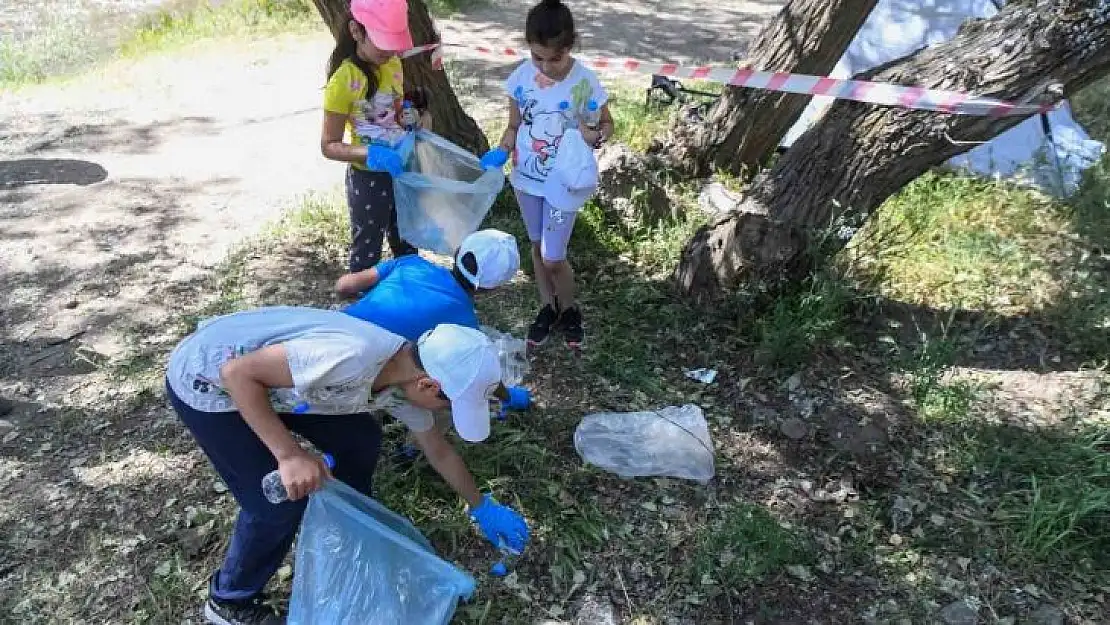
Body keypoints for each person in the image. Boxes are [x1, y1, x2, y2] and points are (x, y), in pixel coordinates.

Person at [166, 307, 529, 624]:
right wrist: (290, 455)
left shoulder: (403, 381)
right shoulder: (350, 357)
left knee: (360, 439)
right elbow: (237, 374)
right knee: (276, 504)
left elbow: (439, 450)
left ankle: (352, 521)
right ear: (429, 384)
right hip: (211, 384)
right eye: (449, 404)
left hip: (281, 387)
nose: (445, 412)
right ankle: (230, 601)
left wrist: (481, 506)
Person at [480, 0, 615, 350]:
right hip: (526, 177)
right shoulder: (521, 79)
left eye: (553, 58)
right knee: (538, 247)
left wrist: (594, 135)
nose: (544, 66)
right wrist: (503, 148)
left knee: (555, 256)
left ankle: (570, 309)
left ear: (568, 48)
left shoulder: (583, 81)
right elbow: (513, 125)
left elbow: (605, 124)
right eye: (537, 57)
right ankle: (547, 307)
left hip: (563, 183)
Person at [320, 0, 428, 274]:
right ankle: (361, 305)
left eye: (394, 42)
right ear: (356, 31)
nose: (390, 50)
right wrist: (369, 154)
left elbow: (395, 108)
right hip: (367, 178)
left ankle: (406, 293)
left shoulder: (392, 63)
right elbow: (328, 145)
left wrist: (408, 115)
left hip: (400, 169)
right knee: (367, 248)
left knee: (406, 240)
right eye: (382, 41)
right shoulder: (343, 82)